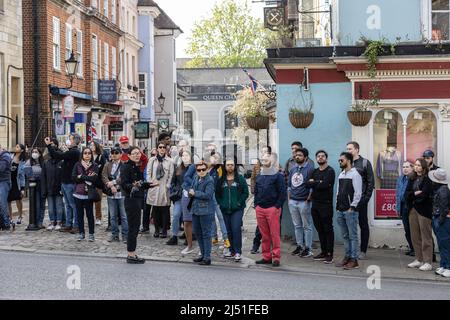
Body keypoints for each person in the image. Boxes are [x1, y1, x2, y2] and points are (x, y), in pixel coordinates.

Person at [121, 147, 157, 264]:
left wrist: (149, 185)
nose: (137, 155)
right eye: (134, 153)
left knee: (135, 227)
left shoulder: (137, 166)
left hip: (138, 199)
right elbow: (125, 184)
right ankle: (130, 254)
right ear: (129, 155)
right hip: (131, 200)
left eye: (138, 153)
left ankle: (133, 252)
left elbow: (140, 183)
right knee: (133, 227)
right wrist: (133, 186)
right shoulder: (126, 167)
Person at [254, 152, 286, 267]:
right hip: (260, 209)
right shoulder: (259, 176)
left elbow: (282, 193)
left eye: (267, 158)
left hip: (272, 209)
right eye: (263, 159)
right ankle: (266, 257)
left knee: (274, 234)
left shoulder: (278, 176)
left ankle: (276, 257)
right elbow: (256, 191)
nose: (265, 160)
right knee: (264, 235)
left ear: (271, 161)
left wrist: (276, 207)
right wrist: (256, 205)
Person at [45, 134, 81, 233]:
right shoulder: (70, 152)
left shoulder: (74, 152)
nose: (68, 141)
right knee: (68, 205)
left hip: (70, 183)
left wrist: (49, 146)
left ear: (74, 141)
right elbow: (57, 156)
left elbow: (59, 155)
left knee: (73, 205)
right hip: (65, 182)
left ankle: (76, 225)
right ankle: (69, 224)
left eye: (70, 139)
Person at [216, 158, 249, 261]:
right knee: (228, 230)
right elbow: (217, 193)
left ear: (234, 166)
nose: (230, 166)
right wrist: (221, 204)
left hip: (237, 209)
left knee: (236, 229)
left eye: (232, 165)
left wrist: (239, 203)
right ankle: (231, 250)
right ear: (225, 167)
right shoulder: (221, 180)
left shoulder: (240, 179)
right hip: (225, 209)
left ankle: (238, 251)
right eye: (228, 165)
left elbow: (245, 192)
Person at [346, 141, 374, 260]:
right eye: (347, 149)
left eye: (350, 149)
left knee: (363, 225)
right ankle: (352, 250)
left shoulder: (364, 163)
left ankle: (363, 251)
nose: (348, 151)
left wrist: (366, 198)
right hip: (348, 201)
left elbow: (370, 182)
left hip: (361, 200)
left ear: (357, 149)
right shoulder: (347, 163)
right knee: (350, 226)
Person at [307, 150, 336, 264]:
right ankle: (323, 252)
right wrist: (317, 182)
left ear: (326, 158)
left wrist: (315, 183)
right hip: (315, 204)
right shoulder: (314, 171)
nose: (320, 158)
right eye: (318, 156)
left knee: (328, 229)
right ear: (316, 158)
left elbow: (325, 185)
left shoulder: (330, 171)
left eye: (322, 156)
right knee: (320, 229)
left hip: (326, 204)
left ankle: (330, 254)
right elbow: (307, 184)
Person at [335, 152, 363, 270]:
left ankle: (354, 259)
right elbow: (338, 192)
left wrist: (352, 207)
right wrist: (337, 206)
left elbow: (358, 193)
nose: (340, 162)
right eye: (339, 160)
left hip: (350, 210)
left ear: (349, 161)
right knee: (345, 236)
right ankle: (347, 257)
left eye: (342, 160)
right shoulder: (341, 174)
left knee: (353, 236)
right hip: (340, 209)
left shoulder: (355, 174)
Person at [406, 158, 434, 271]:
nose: (416, 167)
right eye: (415, 165)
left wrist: (413, 196)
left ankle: (428, 262)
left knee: (425, 236)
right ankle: (419, 259)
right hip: (412, 209)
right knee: (415, 236)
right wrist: (414, 194)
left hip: (424, 211)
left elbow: (425, 195)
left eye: (418, 165)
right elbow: (406, 194)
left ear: (423, 167)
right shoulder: (411, 179)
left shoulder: (427, 180)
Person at [287, 148, 314, 258]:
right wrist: (289, 199)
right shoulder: (293, 169)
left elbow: (312, 186)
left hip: (304, 201)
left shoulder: (310, 169)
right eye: (296, 155)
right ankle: (300, 246)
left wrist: (308, 198)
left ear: (305, 157)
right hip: (293, 201)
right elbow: (289, 185)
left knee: (306, 226)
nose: (297, 157)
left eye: (300, 155)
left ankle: (308, 248)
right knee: (297, 225)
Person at [189, 160, 216, 266]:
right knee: (198, 232)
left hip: (206, 211)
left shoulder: (209, 180)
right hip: (195, 209)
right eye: (199, 170)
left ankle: (207, 257)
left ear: (207, 169)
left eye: (203, 169)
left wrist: (194, 193)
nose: (201, 171)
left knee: (206, 233)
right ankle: (202, 254)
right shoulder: (196, 177)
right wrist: (190, 192)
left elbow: (208, 195)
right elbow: (191, 187)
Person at [146, 141, 174, 238]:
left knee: (165, 210)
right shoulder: (152, 160)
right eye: (160, 147)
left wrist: (168, 185)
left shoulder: (170, 161)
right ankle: (157, 229)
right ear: (157, 148)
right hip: (154, 186)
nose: (162, 149)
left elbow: (171, 175)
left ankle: (164, 230)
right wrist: (150, 183)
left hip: (164, 187)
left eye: (164, 147)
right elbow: (148, 172)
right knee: (155, 210)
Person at [72, 147, 100, 242]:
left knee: (90, 215)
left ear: (91, 155)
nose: (87, 155)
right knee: (79, 215)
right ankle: (81, 233)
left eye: (89, 153)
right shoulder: (77, 165)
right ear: (82, 155)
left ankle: (91, 234)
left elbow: (94, 179)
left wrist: (81, 176)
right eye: (85, 153)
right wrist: (86, 177)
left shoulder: (95, 165)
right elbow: (74, 177)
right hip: (78, 193)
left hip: (89, 194)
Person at [102, 146, 128, 243]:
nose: (114, 154)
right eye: (112, 153)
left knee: (124, 216)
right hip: (111, 194)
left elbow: (123, 177)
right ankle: (115, 235)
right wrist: (110, 185)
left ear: (121, 154)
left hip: (121, 193)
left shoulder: (124, 165)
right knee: (113, 216)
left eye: (116, 153)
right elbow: (103, 176)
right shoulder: (107, 165)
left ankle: (125, 235)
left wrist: (113, 183)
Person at [207, 153, 231, 254]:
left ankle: (226, 238)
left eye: (217, 158)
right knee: (211, 217)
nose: (215, 159)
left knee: (221, 217)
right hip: (209, 196)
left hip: (217, 197)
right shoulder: (207, 168)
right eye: (213, 157)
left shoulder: (220, 169)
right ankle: (214, 237)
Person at [166, 150, 191, 246]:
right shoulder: (178, 168)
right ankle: (174, 236)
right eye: (183, 155)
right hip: (179, 196)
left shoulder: (193, 168)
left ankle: (188, 236)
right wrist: (174, 189)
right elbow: (173, 181)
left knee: (187, 218)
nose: (184, 157)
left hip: (189, 196)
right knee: (176, 215)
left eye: (186, 155)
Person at [429, 168, 450, 278]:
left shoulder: (443, 191)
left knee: (445, 245)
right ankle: (444, 265)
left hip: (443, 221)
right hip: (440, 219)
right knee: (442, 244)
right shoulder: (442, 189)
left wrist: (440, 221)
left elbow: (444, 208)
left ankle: (448, 267)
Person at [41, 139, 64, 230]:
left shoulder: (61, 161)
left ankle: (59, 221)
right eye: (51, 145)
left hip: (58, 187)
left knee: (59, 206)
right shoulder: (46, 162)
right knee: (50, 207)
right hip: (49, 187)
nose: (52, 146)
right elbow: (44, 177)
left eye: (54, 144)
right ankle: (52, 222)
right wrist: (44, 190)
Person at [396, 161, 415, 256]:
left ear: (412, 168)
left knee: (413, 229)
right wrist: (398, 208)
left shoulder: (414, 178)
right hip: (403, 206)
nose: (405, 169)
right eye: (403, 167)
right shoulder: (400, 179)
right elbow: (397, 194)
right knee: (407, 229)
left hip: (411, 206)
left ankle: (416, 249)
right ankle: (412, 248)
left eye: (407, 167)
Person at [24, 148, 46, 228]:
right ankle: (35, 221)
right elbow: (28, 173)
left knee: (42, 204)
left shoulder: (43, 163)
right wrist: (34, 177)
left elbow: (45, 173)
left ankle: (40, 222)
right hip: (33, 185)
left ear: (40, 154)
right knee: (36, 204)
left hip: (42, 185)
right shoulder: (28, 162)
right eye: (33, 152)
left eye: (36, 152)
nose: (34, 153)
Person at [7, 144, 26, 225]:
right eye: (16, 146)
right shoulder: (10, 156)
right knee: (8, 200)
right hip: (8, 181)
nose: (16, 147)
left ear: (22, 150)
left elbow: (22, 176)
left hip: (16, 182)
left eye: (18, 147)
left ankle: (20, 216)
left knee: (18, 199)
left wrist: (22, 188)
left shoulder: (22, 161)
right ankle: (10, 217)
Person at [90, 141, 106, 226]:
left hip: (98, 182)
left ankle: (98, 217)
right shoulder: (88, 156)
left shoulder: (101, 157)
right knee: (88, 201)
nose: (91, 146)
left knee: (98, 201)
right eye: (90, 145)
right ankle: (90, 217)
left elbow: (102, 169)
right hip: (89, 182)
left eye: (93, 145)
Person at [0, 146, 12, 230]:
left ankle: (6, 223)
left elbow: (1, 168)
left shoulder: (6, 156)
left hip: (4, 182)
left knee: (2, 203)